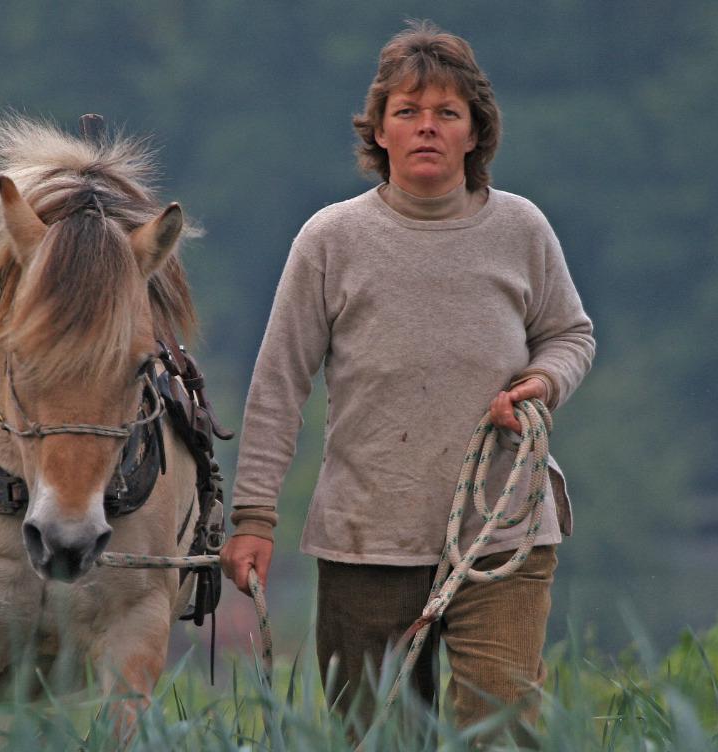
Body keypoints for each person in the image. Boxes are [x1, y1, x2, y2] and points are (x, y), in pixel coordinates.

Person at [220, 22, 596, 744]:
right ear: (380, 131)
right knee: (375, 734)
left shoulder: (521, 228)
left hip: (501, 528)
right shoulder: (330, 239)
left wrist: (544, 382)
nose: (427, 127)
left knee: (501, 729)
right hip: (365, 537)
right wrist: (255, 519)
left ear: (474, 133)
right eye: (408, 112)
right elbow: (278, 385)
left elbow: (570, 334)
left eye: (447, 113)